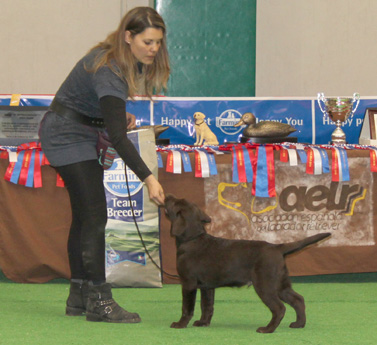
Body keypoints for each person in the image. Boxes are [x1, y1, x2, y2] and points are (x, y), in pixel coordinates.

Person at [39, 7, 170, 323]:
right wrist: (149, 178)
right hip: (66, 135)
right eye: (147, 42)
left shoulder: (116, 61)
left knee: (86, 216)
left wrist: (109, 116)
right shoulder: (109, 69)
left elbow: (104, 115)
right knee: (95, 215)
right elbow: (119, 138)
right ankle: (100, 299)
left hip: (81, 131)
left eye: (158, 43)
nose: (154, 49)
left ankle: (78, 296)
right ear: (128, 36)